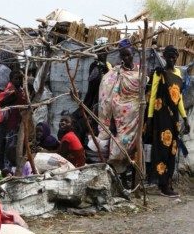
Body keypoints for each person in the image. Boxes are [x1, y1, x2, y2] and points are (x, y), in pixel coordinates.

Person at [147, 45, 190, 198]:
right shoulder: (160, 73)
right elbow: (152, 96)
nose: (171, 59)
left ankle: (168, 183)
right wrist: (150, 118)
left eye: (174, 57)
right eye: (169, 56)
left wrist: (185, 118)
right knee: (162, 149)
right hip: (161, 115)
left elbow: (178, 98)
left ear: (176, 58)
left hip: (174, 119)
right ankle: (162, 184)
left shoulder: (178, 73)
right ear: (164, 57)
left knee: (172, 149)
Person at [98, 39, 141, 179]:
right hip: (120, 119)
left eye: (128, 55)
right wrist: (110, 121)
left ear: (133, 53)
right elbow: (109, 98)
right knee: (119, 147)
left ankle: (129, 178)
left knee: (135, 148)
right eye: (123, 56)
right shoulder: (116, 74)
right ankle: (117, 177)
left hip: (136, 118)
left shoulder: (141, 71)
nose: (126, 58)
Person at [73, 37, 112, 145]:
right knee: (89, 124)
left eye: (105, 49)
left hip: (107, 101)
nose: (104, 52)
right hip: (96, 100)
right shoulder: (95, 66)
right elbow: (93, 85)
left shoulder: (108, 66)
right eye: (101, 50)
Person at [0, 70, 27, 171]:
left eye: (20, 79)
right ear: (11, 80)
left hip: (17, 125)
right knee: (9, 149)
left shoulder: (21, 91)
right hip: (10, 125)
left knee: (13, 148)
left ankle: (10, 169)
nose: (19, 81)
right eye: (16, 78)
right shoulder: (11, 92)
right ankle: (6, 170)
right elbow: (2, 103)